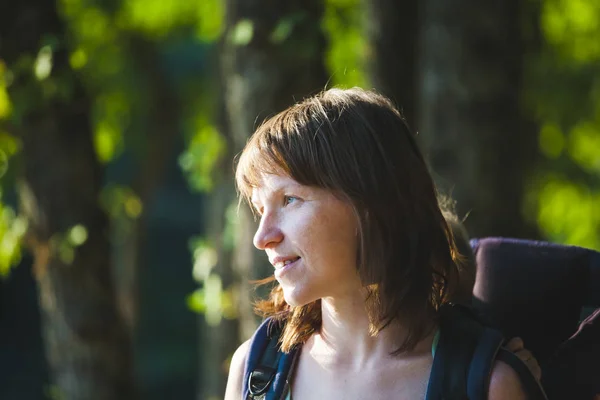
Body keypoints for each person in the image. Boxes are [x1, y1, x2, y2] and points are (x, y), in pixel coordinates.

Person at [225, 88, 532, 399]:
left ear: (371, 203)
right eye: (261, 209)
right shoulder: (252, 374)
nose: (262, 238)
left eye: (289, 199)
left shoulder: (487, 385)